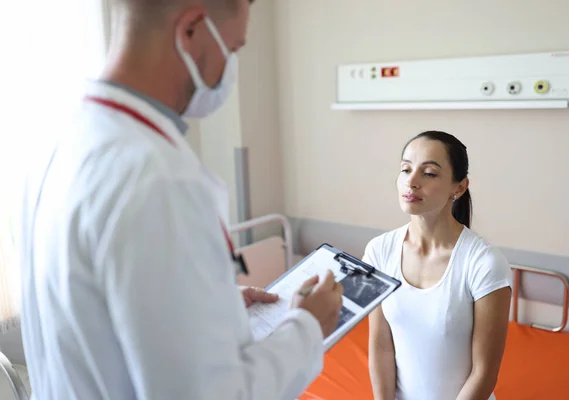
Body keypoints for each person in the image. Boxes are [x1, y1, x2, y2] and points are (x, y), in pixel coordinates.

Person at [17, 0, 343, 399]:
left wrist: (212, 309)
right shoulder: (159, 178)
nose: (231, 68)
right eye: (235, 49)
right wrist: (307, 327)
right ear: (190, 30)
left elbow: (94, 315)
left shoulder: (61, 139)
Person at [365, 131, 512, 400]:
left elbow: (484, 372)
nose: (411, 182)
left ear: (459, 187)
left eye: (429, 173)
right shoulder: (379, 250)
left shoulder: (483, 263)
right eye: (405, 169)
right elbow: (381, 346)